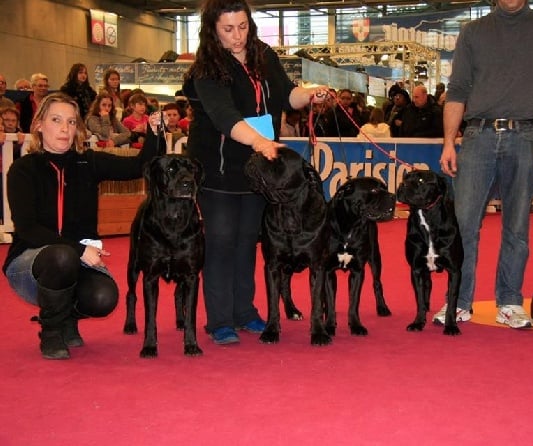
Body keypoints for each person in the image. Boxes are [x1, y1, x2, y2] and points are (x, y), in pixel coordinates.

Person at [181, 0, 330, 345]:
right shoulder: (205, 68)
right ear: (212, 29)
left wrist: (308, 95)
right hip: (218, 169)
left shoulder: (264, 54)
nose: (238, 36)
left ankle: (244, 312)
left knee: (248, 241)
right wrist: (261, 142)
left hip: (260, 173)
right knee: (220, 242)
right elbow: (224, 116)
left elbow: (285, 95)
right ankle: (219, 320)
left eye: (243, 26)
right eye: (228, 29)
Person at [438, 0, 533, 329]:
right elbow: (457, 89)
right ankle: (458, 301)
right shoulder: (472, 31)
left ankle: (510, 301)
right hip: (478, 134)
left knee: (517, 225)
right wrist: (448, 141)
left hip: (527, 135)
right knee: (464, 225)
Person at [2, 92, 161, 359]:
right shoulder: (22, 169)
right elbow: (28, 229)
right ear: (39, 124)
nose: (65, 129)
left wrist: (155, 133)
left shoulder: (89, 161)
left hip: (78, 258)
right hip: (29, 265)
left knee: (103, 297)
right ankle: (51, 330)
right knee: (62, 256)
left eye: (72, 122)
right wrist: (77, 250)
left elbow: (140, 166)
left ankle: (66, 317)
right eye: (56, 120)